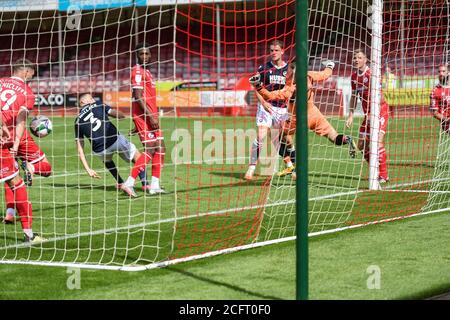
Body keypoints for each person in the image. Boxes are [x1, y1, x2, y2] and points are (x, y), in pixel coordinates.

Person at [251, 60, 356, 178]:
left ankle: (293, 166)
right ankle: (347, 139)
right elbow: (325, 74)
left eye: (289, 70)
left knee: (276, 134)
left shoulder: (290, 89)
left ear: (293, 71)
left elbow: (271, 95)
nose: (287, 72)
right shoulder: (309, 75)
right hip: (314, 114)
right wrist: (330, 65)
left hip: (297, 118)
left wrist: (259, 86)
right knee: (333, 136)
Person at [0, 59, 45, 243]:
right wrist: (16, 145)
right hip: (2, 140)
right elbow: (21, 121)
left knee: (14, 180)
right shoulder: (27, 93)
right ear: (26, 72)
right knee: (17, 184)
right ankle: (28, 234)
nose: (32, 78)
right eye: (32, 75)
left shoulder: (0, 81)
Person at [74, 94, 149, 198]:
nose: (93, 100)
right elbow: (116, 114)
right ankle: (146, 184)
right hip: (113, 139)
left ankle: (120, 182)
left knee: (107, 160)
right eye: (91, 98)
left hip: (99, 150)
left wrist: (88, 169)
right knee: (138, 157)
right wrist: (122, 115)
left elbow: (80, 148)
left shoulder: (77, 121)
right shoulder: (98, 104)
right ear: (82, 102)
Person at [245, 39, 290, 180]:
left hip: (282, 108)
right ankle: (251, 168)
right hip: (266, 106)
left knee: (281, 139)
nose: (273, 53)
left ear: (282, 51)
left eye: (276, 50)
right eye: (271, 50)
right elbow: (256, 86)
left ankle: (290, 164)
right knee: (261, 136)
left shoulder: (288, 70)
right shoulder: (263, 68)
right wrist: (263, 102)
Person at [123, 42, 165, 194]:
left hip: (148, 115)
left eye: (147, 53)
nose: (145, 56)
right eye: (142, 54)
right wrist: (148, 118)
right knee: (151, 148)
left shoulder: (147, 72)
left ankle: (154, 185)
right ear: (137, 55)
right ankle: (129, 183)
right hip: (145, 115)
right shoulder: (137, 72)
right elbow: (138, 97)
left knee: (160, 148)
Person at [345, 49, 390, 183]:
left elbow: (381, 97)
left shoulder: (372, 74)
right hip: (368, 115)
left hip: (380, 112)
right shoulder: (353, 77)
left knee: (377, 142)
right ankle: (374, 170)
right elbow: (354, 96)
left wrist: (373, 110)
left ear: (365, 60)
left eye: (359, 57)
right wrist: (351, 115)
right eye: (355, 58)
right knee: (361, 146)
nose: (356, 60)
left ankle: (383, 175)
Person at [430, 64, 450, 132]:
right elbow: (435, 113)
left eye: (443, 71)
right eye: (439, 71)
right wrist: (446, 119)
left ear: (448, 73)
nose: (441, 73)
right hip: (447, 123)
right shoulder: (435, 91)